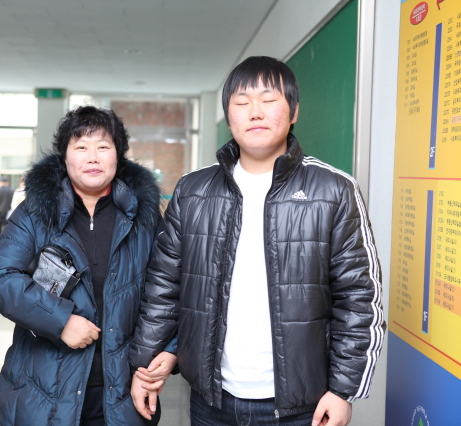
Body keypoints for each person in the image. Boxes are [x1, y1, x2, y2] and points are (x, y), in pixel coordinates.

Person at [129, 56, 385, 426]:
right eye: (242, 101)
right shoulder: (193, 190)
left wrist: (343, 391)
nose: (255, 112)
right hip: (211, 400)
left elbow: (360, 298)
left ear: (293, 111)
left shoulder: (334, 190)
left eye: (269, 99)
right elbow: (163, 286)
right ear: (228, 115)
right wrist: (146, 364)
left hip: (304, 405)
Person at [0, 106, 166, 426]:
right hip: (45, 388)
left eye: (103, 146)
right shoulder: (36, 212)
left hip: (123, 388)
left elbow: (169, 291)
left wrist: (162, 358)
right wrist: (60, 320)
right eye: (81, 147)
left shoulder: (144, 217)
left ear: (118, 155)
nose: (92, 157)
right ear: (65, 157)